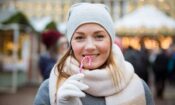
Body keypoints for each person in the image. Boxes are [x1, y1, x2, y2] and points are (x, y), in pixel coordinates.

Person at [34, 3, 154, 105]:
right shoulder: (50, 89)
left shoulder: (139, 89)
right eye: (80, 37)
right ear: (71, 44)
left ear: (111, 41)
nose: (90, 46)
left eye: (99, 36)